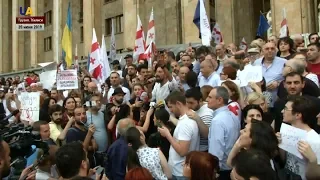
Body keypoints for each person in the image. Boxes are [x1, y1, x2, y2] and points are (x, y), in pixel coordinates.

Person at [158, 91, 200, 180]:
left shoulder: (186, 123)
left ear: (178, 104)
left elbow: (182, 151)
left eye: (171, 107)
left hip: (180, 172)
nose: (170, 110)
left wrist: (168, 135)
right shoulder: (187, 117)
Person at [277, 96, 320, 179]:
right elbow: (285, 161)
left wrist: (312, 160)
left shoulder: (315, 140)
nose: (282, 111)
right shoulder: (287, 132)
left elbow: (316, 177)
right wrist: (280, 145)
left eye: (286, 109)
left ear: (297, 115)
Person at [206, 86, 240, 180]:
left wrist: (214, 170)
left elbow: (216, 150)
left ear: (219, 100)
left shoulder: (217, 121)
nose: (206, 99)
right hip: (232, 167)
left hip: (221, 170)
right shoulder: (233, 115)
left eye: (210, 97)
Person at [253, 42, 286, 108]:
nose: (270, 50)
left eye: (272, 48)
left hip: (276, 100)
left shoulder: (284, 62)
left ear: (276, 50)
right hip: (260, 100)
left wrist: (278, 83)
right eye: (267, 49)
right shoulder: (256, 62)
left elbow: (289, 79)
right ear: (262, 51)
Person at [185, 87, 213, 152]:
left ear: (200, 101)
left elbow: (206, 135)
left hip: (202, 150)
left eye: (191, 103)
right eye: (187, 102)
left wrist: (197, 119)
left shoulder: (206, 114)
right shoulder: (194, 109)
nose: (188, 105)